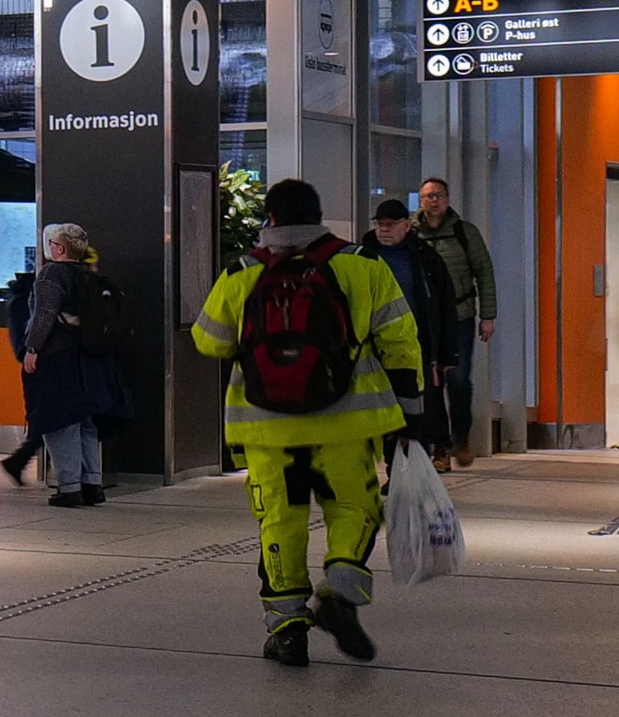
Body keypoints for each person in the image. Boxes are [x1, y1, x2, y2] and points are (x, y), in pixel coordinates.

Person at [192, 176, 424, 665]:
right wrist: (412, 415)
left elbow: (208, 341)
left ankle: (288, 632)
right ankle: (339, 591)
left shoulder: (241, 273)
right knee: (355, 509)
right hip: (346, 424)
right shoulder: (361, 266)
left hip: (265, 429)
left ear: (270, 219)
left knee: (280, 520)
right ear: (319, 216)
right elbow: (401, 340)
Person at [21, 222, 129, 508]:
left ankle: (69, 487)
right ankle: (92, 483)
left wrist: (32, 349)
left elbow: (44, 314)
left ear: (58, 248)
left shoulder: (52, 274)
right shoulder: (89, 276)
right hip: (89, 358)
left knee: (59, 421)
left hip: (58, 356)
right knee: (85, 421)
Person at [361, 195, 469, 474]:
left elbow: (443, 305)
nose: (384, 229)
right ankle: (393, 469)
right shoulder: (362, 256)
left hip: (415, 345)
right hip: (372, 348)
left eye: (390, 224)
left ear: (406, 225)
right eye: (379, 224)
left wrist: (447, 352)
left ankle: (415, 466)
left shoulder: (425, 258)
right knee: (385, 409)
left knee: (419, 406)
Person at [414, 175, 499, 466]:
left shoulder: (465, 233)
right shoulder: (413, 234)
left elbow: (484, 272)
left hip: (460, 316)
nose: (433, 201)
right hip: (425, 321)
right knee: (431, 382)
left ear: (447, 200)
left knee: (458, 379)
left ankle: (461, 435)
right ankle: (440, 447)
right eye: (428, 196)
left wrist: (488, 315)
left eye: (438, 195)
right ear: (421, 200)